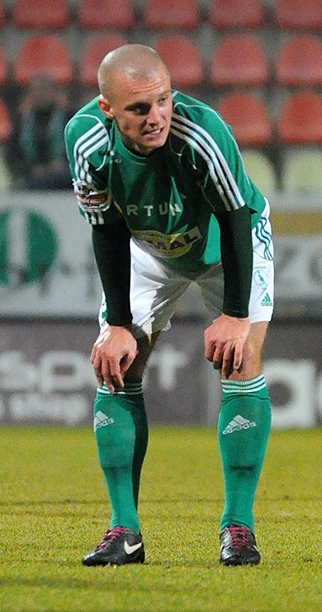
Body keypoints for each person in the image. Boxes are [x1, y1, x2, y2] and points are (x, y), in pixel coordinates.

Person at [64, 44, 274, 567]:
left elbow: (235, 217)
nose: (156, 116)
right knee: (117, 366)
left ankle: (238, 526)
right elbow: (106, 230)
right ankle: (124, 531)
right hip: (147, 247)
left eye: (163, 100)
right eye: (139, 108)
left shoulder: (201, 133)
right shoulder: (85, 141)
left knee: (241, 358)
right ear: (108, 109)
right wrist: (116, 323)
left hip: (226, 245)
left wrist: (235, 313)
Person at [16, 75, 71, 190]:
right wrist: (32, 167)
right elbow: (13, 153)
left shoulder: (69, 119)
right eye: (37, 90)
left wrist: (60, 164)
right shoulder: (21, 121)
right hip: (30, 174)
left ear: (55, 92)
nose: (41, 94)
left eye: (46, 89)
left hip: (63, 173)